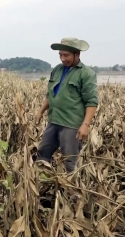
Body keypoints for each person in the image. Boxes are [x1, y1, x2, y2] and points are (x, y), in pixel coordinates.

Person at [35, 37, 98, 172]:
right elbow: (51, 94)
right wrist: (41, 111)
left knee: (71, 162)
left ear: (77, 54)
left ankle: (74, 192)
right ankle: (41, 185)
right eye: (60, 55)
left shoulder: (86, 74)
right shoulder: (57, 70)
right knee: (42, 154)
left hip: (71, 125)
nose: (63, 59)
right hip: (54, 120)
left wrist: (85, 125)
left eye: (66, 55)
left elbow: (92, 102)